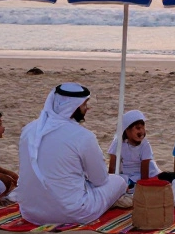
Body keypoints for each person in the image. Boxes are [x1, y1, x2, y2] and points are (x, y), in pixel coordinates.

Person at [16, 83, 128, 225]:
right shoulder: (83, 136)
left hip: (30, 212)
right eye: (84, 104)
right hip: (72, 213)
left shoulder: (29, 129)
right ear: (73, 107)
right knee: (119, 181)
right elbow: (100, 180)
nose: (87, 108)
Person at [107, 110, 159, 185]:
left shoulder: (145, 145)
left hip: (145, 174)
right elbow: (112, 166)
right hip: (126, 174)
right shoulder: (118, 143)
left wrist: (143, 186)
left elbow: (145, 172)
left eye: (143, 128)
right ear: (127, 130)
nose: (142, 132)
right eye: (138, 128)